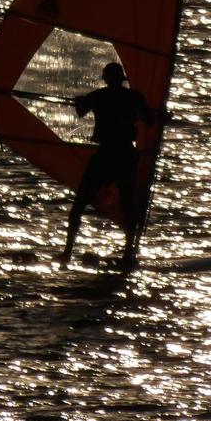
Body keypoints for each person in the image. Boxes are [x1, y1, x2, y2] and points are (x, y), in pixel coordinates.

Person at [58, 61, 152, 268]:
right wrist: (161, 114)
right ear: (121, 80)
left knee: (78, 207)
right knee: (128, 206)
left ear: (107, 79)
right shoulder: (134, 97)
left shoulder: (99, 96)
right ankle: (128, 253)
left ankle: (67, 253)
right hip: (125, 155)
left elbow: (81, 111)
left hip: (106, 155)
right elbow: (150, 120)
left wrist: (78, 101)